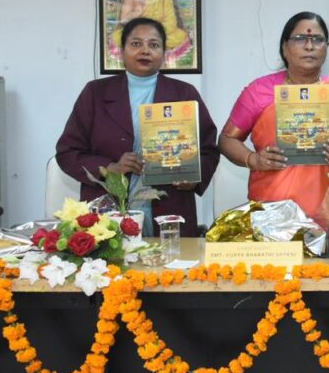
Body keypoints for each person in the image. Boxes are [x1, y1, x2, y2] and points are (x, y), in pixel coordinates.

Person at [219, 12, 329, 236]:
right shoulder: (259, 91)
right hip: (272, 213)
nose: (310, 46)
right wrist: (253, 159)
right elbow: (227, 139)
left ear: (327, 47)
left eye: (318, 39)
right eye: (300, 38)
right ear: (285, 47)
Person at [56, 17, 219, 237]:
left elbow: (208, 150)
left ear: (164, 53)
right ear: (121, 51)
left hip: (170, 208)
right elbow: (68, 152)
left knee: (172, 260)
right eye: (136, 44)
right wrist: (109, 168)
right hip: (107, 215)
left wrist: (193, 178)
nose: (145, 51)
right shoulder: (95, 93)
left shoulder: (184, 94)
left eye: (154, 45)